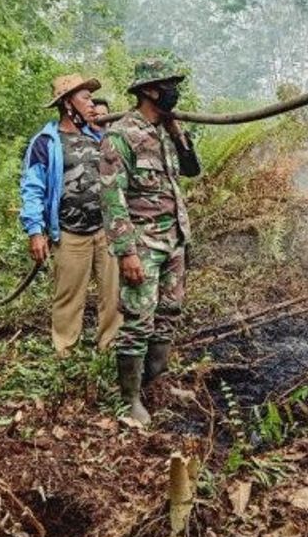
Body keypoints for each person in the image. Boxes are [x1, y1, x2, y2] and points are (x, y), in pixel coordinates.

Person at [99, 58, 202, 425]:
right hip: (143, 245)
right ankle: (130, 400)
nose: (175, 91)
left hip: (174, 242)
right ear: (148, 90)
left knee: (167, 316)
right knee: (138, 321)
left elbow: (192, 170)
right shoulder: (121, 135)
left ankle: (156, 385)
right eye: (168, 85)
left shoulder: (165, 131)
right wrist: (127, 252)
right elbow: (112, 200)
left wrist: (177, 133)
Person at [19, 74, 122, 355]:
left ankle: (109, 346)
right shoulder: (45, 142)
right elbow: (32, 188)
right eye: (85, 98)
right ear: (67, 103)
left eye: (91, 97)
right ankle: (65, 349)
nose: (92, 104)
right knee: (68, 297)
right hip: (69, 232)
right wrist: (35, 231)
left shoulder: (97, 137)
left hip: (104, 230)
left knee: (112, 294)